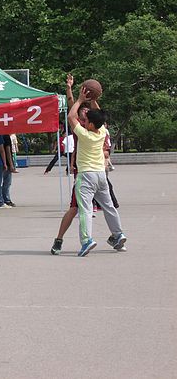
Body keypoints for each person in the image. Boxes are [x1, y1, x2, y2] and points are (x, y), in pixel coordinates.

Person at [68, 85, 127, 257]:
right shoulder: (101, 131)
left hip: (86, 176)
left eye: (86, 121)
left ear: (91, 124)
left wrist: (80, 100)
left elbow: (71, 116)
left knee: (85, 209)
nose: (84, 122)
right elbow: (99, 116)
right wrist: (93, 99)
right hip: (101, 175)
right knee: (109, 207)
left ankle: (87, 240)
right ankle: (118, 234)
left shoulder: (84, 134)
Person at [2, 134, 17, 207]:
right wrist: (11, 165)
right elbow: (8, 152)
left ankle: (0, 199)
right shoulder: (6, 137)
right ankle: (6, 200)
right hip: (6, 163)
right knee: (7, 183)